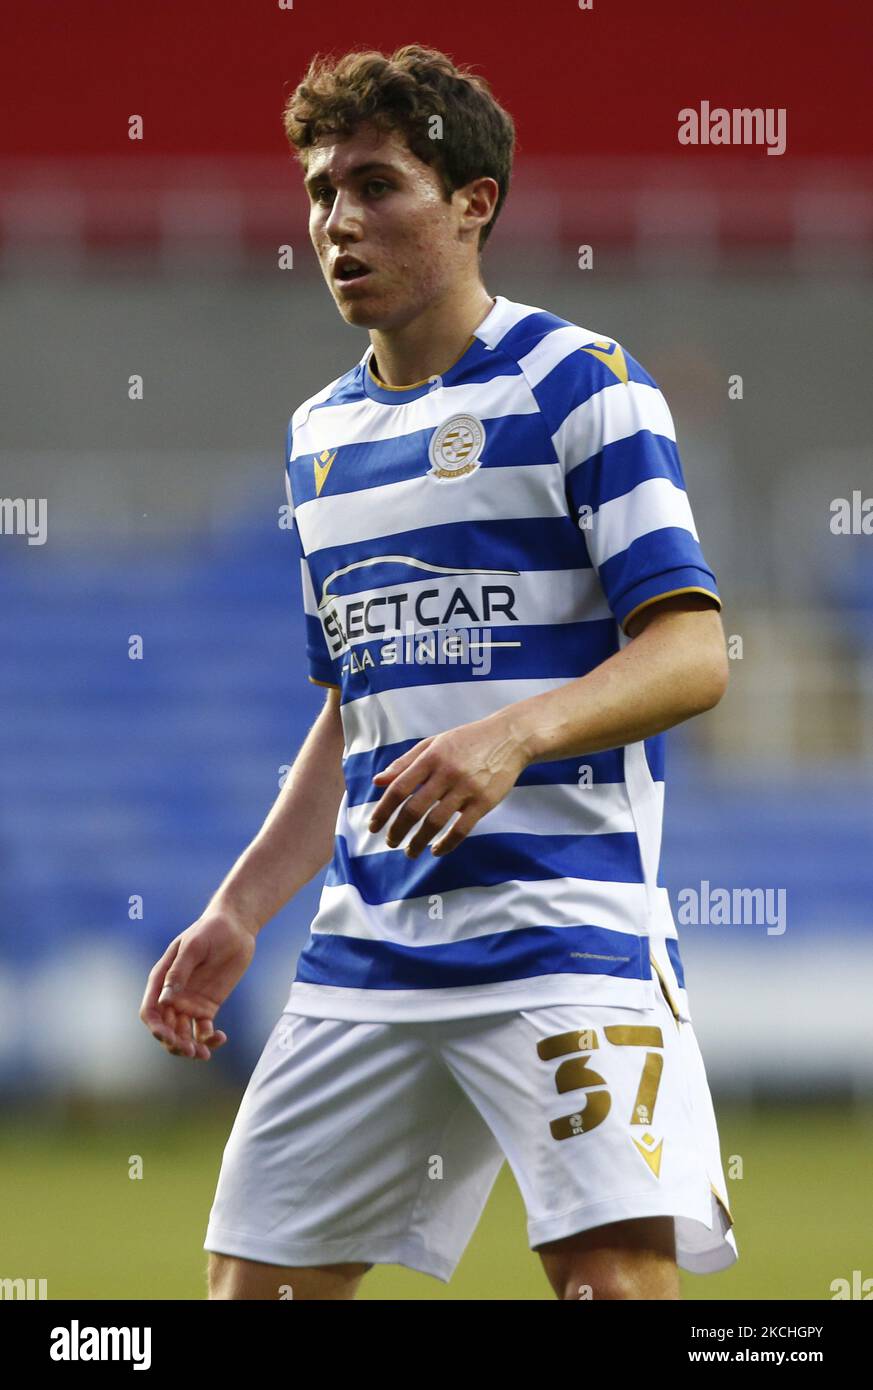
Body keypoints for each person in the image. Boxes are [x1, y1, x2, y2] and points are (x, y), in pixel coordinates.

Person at [140, 43, 737, 1301]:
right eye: (320, 191)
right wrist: (243, 907)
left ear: (474, 202)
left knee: (612, 1286)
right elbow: (353, 712)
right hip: (371, 951)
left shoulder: (584, 384)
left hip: (564, 936)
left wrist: (511, 734)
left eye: (376, 184)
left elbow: (690, 652)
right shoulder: (319, 439)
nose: (336, 221)